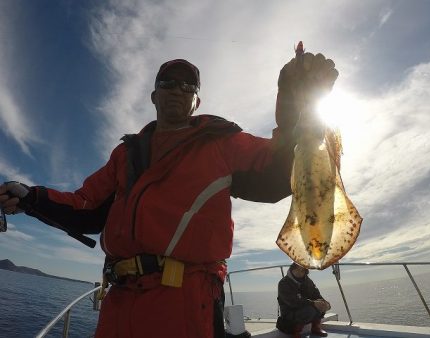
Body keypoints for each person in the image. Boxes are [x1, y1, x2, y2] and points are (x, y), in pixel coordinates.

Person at [0, 51, 338, 338]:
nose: (178, 89)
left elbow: (280, 170)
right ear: (154, 96)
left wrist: (296, 97)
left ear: (196, 101)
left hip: (186, 301)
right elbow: (86, 208)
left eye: (188, 85)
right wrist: (30, 197)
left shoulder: (222, 142)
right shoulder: (126, 155)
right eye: (168, 83)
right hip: (118, 302)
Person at [277, 263, 331, 337]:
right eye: (297, 269)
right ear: (292, 270)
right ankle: (295, 333)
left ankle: (315, 328)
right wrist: (313, 303)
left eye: (302, 270)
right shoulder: (284, 283)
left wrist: (324, 303)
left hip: (304, 307)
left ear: (305, 272)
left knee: (321, 305)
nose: (299, 272)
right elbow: (292, 302)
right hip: (289, 313)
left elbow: (316, 295)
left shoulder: (308, 282)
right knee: (310, 310)